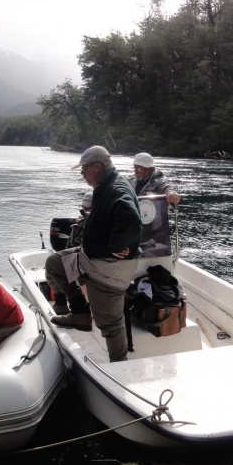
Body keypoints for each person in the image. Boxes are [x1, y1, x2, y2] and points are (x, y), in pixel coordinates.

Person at [45, 146, 142, 362]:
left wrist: (117, 245)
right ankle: (80, 313)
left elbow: (130, 218)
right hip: (91, 258)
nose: (82, 174)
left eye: (84, 169)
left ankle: (120, 364)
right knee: (54, 263)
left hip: (107, 267)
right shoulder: (105, 185)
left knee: (110, 323)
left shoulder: (116, 188)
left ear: (97, 167)